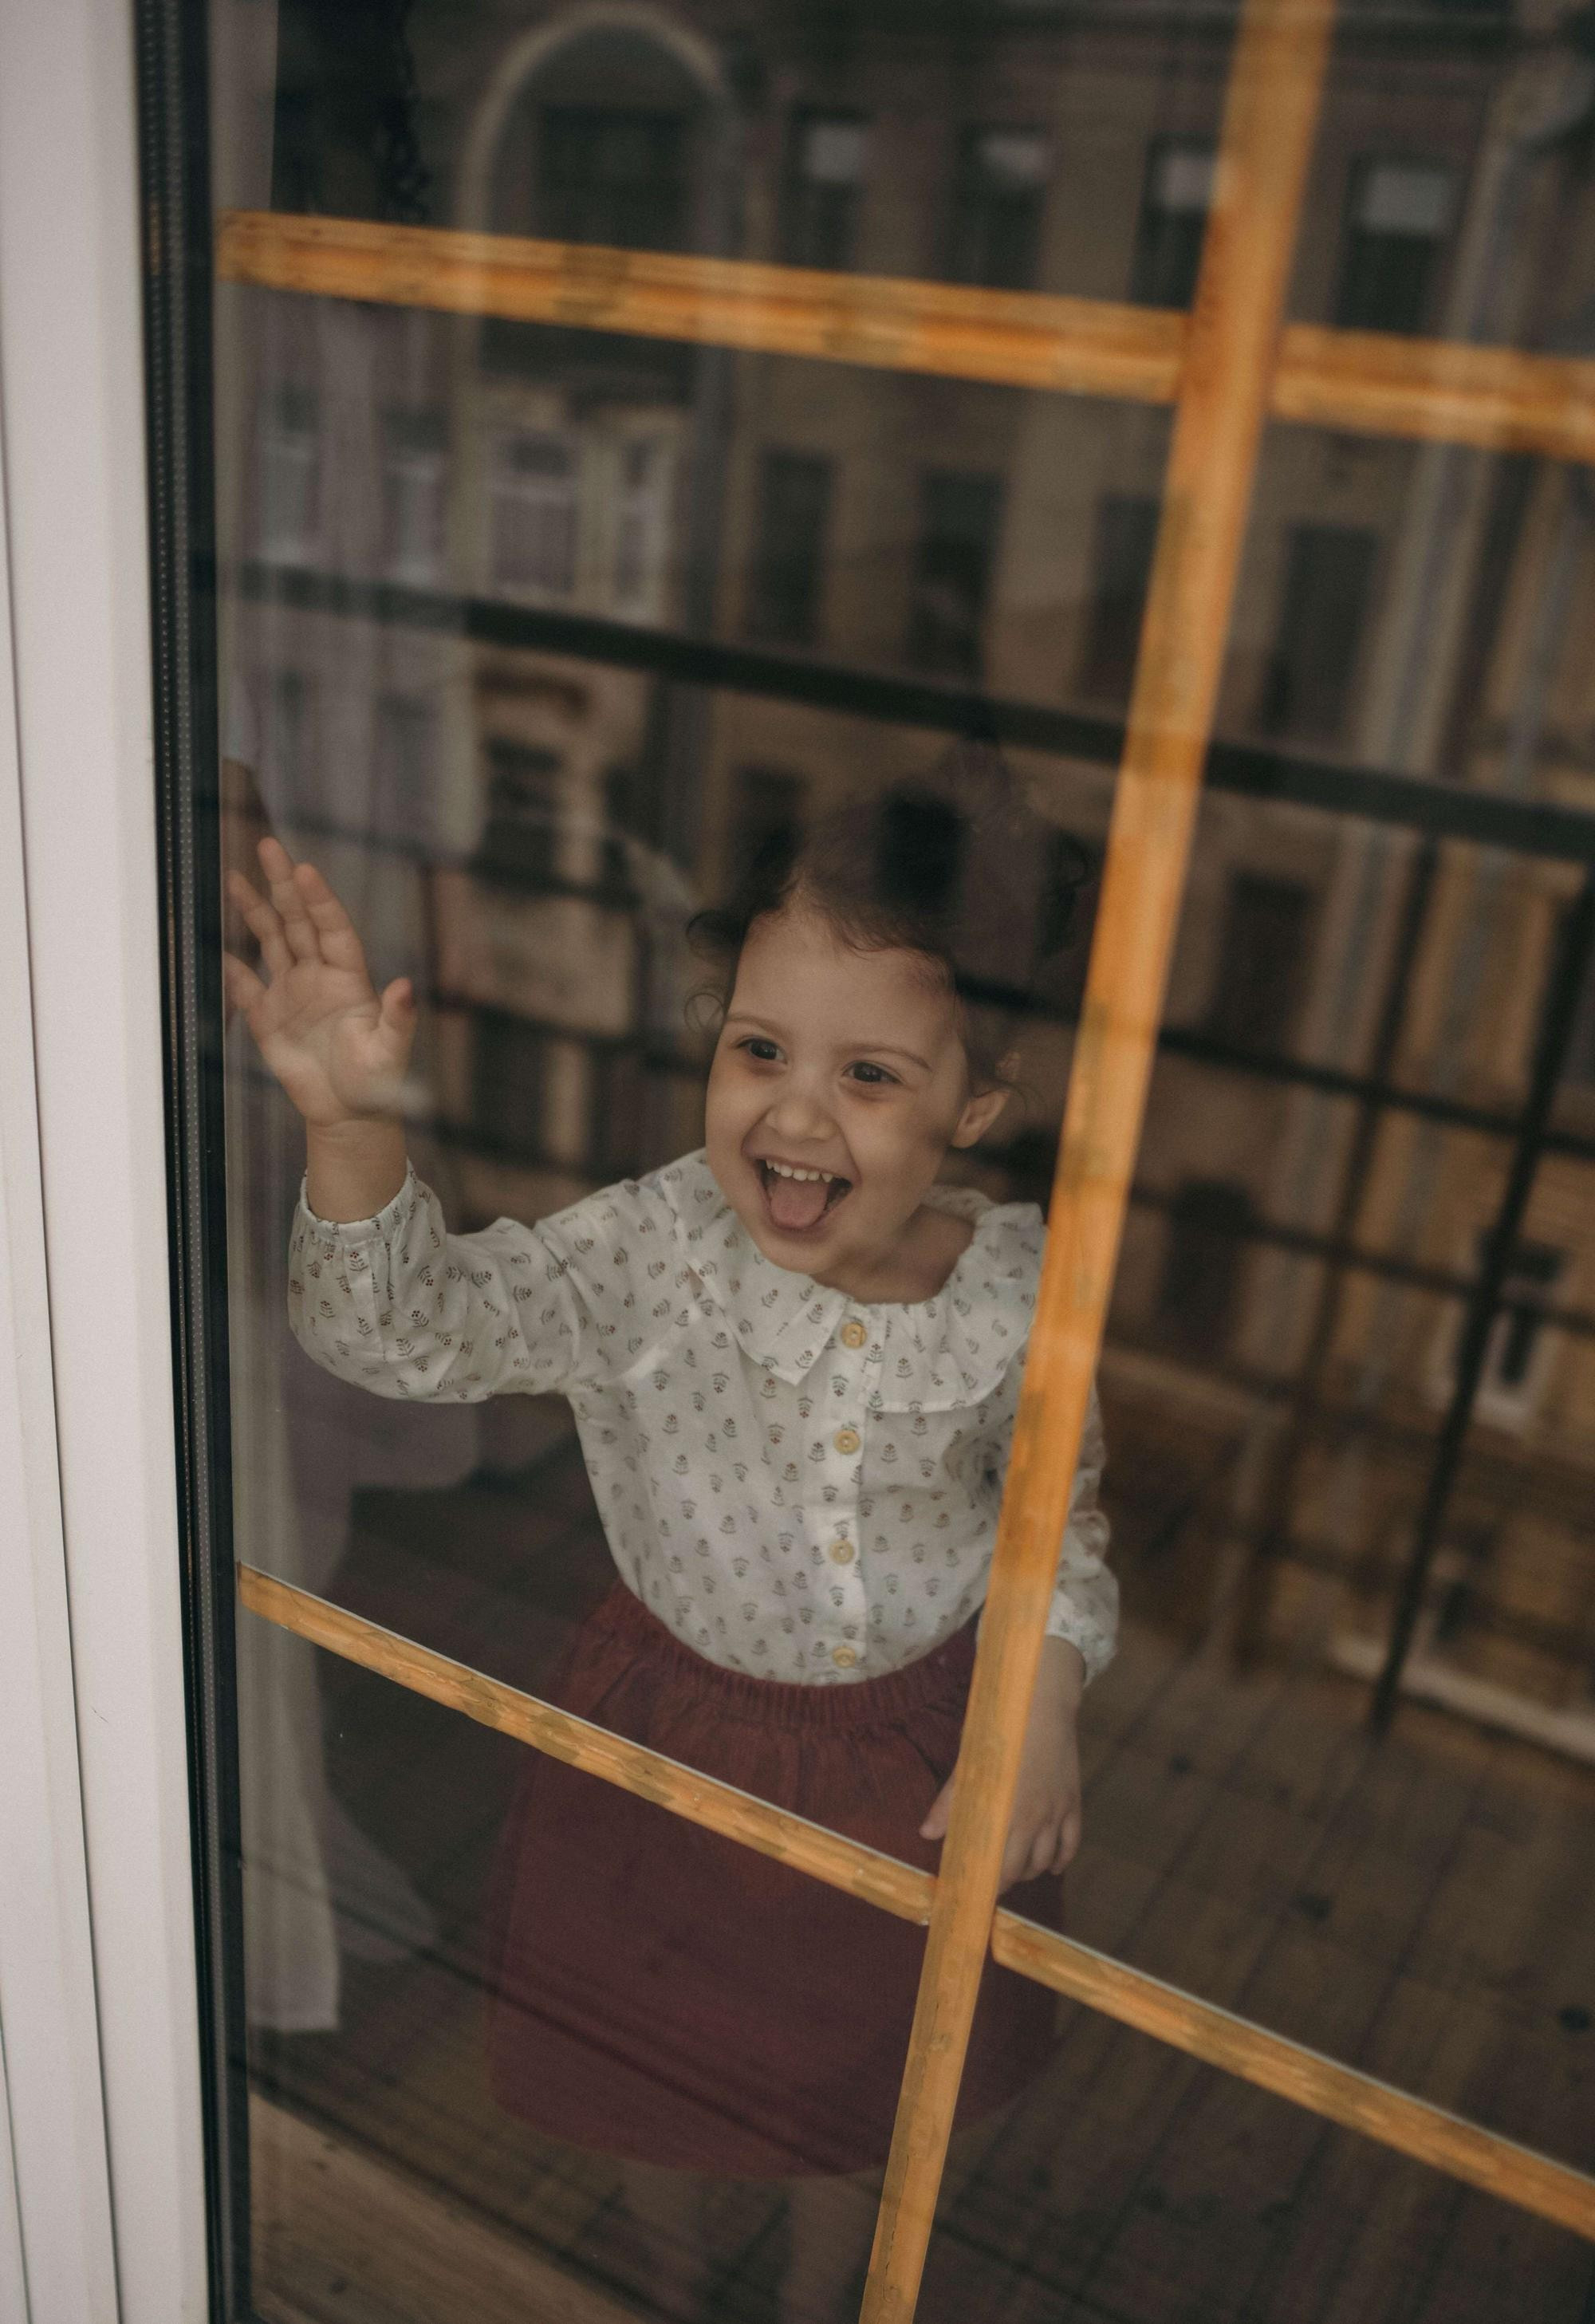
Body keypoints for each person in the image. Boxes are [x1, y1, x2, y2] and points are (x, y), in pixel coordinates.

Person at [224, 748, 1116, 2322]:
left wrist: (1036, 1699)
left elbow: (1061, 1515)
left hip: (912, 1768)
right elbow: (412, 1334)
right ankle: (662, 2277)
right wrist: (354, 1127)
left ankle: (821, 2298)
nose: (791, 1106)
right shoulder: (656, 1250)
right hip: (668, 1737)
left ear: (976, 1103)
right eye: (758, 1044)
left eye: (870, 1074)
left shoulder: (1016, 1286)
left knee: (855, 2089)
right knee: (652, 2069)